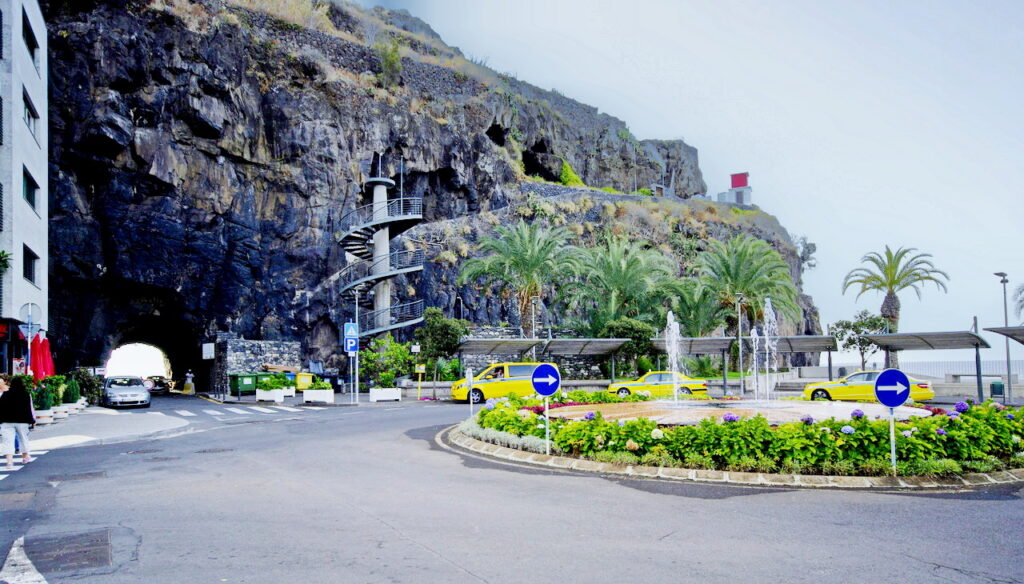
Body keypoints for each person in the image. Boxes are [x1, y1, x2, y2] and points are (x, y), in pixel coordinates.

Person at [0, 377, 35, 469]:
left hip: (6, 421)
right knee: (23, 438)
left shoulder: (5, 394)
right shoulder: (26, 394)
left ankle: (9, 462)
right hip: (22, 421)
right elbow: (29, 409)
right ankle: (25, 457)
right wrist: (32, 420)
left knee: (8, 441)